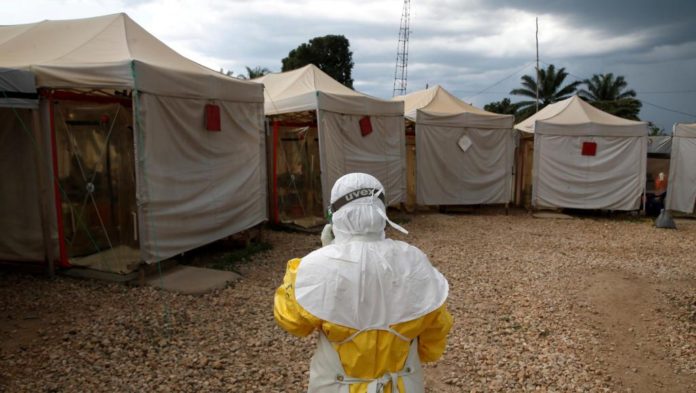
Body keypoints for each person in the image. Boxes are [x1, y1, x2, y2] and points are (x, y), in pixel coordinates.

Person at [274, 173, 452, 393]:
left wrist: (324, 258)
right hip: (403, 385)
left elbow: (293, 322)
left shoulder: (313, 267)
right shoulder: (414, 262)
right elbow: (436, 329)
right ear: (381, 212)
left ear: (335, 215)